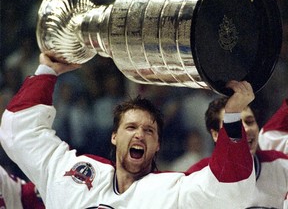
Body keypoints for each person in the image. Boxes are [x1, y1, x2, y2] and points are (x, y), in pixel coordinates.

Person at [0, 53, 256, 208]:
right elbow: (19, 133)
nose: (139, 134)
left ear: (157, 146)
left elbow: (232, 192)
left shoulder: (173, 191)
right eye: (131, 127)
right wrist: (48, 70)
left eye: (149, 131)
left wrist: (232, 116)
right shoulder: (73, 173)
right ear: (114, 136)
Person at [187, 96, 288, 208]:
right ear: (216, 135)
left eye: (249, 122)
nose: (246, 129)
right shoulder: (198, 176)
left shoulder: (281, 165)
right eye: (236, 125)